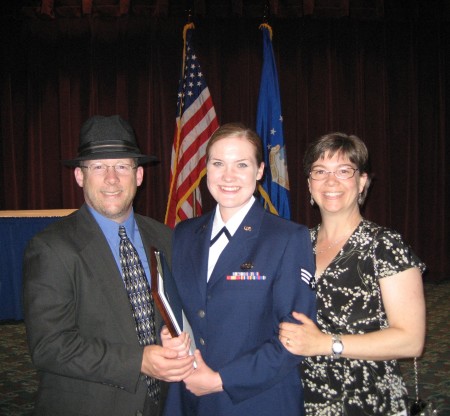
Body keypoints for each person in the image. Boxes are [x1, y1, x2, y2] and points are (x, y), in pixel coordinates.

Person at [23, 115, 194, 416]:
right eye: (98, 167)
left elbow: (175, 310)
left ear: (138, 175)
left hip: (163, 404)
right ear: (80, 176)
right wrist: (138, 360)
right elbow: (49, 346)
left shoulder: (166, 238)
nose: (111, 178)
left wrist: (172, 333)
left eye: (122, 166)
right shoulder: (52, 248)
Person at [161, 123, 317, 416]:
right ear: (206, 167)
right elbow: (178, 306)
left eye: (241, 164)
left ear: (260, 171)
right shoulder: (185, 233)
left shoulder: (286, 238)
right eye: (218, 163)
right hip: (188, 395)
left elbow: (295, 337)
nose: (228, 176)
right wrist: (168, 333)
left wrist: (221, 380)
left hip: (256, 400)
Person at [278, 132, 426, 416]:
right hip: (301, 398)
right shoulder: (296, 244)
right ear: (309, 185)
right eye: (320, 171)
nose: (331, 181)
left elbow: (411, 340)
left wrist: (326, 343)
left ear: (362, 182)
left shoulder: (384, 244)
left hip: (368, 399)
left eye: (344, 171)